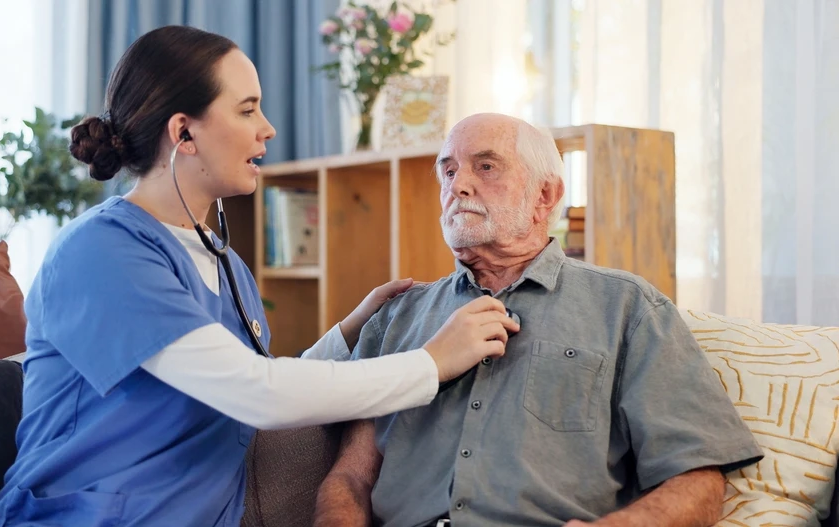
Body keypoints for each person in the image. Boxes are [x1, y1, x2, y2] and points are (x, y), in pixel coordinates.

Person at [0, 27, 520, 527]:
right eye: (247, 110)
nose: (268, 129)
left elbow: (237, 390)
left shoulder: (224, 263)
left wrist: (348, 333)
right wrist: (432, 362)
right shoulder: (100, 252)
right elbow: (255, 395)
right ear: (184, 133)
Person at [313, 113, 764, 527]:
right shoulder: (396, 316)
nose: (459, 185)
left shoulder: (628, 306)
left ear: (544, 195)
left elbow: (699, 479)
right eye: (448, 170)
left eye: (486, 167)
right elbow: (350, 479)